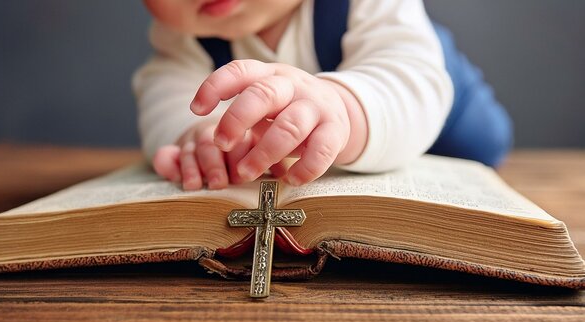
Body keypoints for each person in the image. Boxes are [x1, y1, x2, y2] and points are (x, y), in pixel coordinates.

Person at [134, 0, 511, 191]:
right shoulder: (185, 33)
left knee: (482, 141)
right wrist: (201, 135)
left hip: (437, 100)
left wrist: (341, 108)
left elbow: (412, 82)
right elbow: (166, 90)